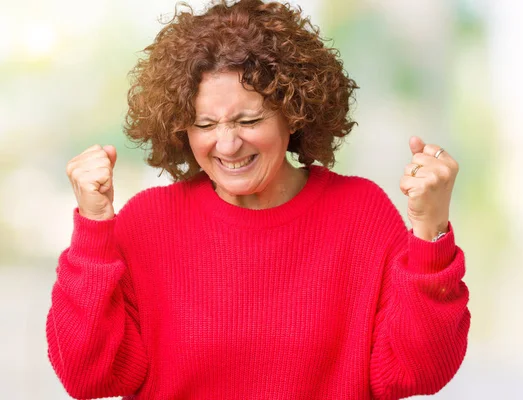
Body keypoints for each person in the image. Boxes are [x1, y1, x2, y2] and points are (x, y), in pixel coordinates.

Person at [46, 0, 470, 399]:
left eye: (249, 120)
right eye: (205, 123)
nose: (227, 145)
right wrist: (94, 227)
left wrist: (429, 230)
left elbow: (420, 371)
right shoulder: (147, 222)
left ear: (293, 111)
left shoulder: (360, 212)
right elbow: (87, 377)